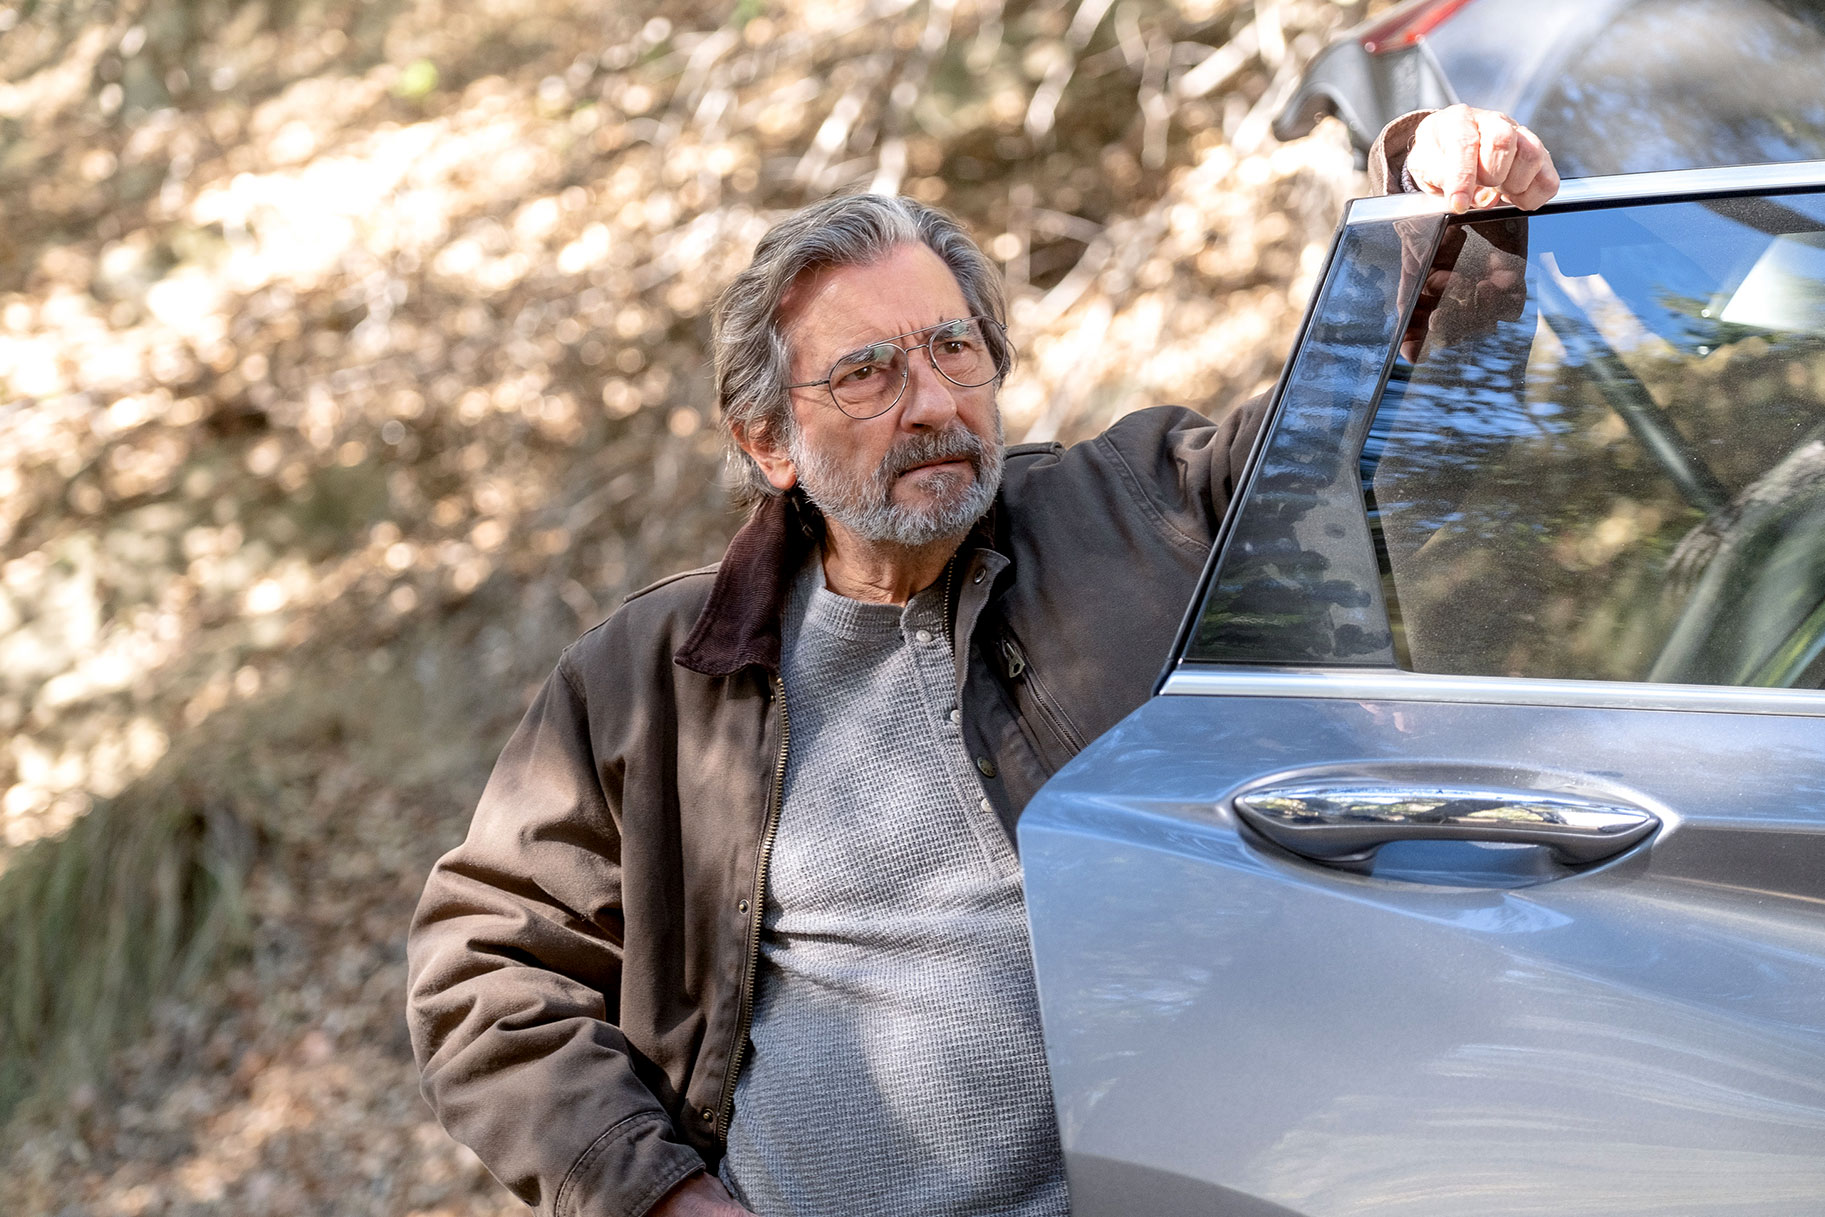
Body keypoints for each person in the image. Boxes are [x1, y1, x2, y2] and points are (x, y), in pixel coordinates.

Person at [406, 105, 1559, 1217]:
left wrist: (1444, 221)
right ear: (768, 443)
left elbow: (1373, 435)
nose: (930, 403)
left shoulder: (1148, 511)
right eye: (866, 371)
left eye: (952, 347)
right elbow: (485, 966)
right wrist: (655, 1190)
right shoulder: (655, 678)